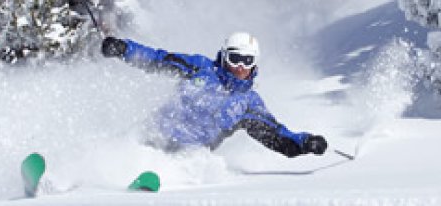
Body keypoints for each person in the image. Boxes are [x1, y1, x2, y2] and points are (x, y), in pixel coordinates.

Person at [101, 32, 328, 157]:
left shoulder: (248, 105)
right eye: (235, 58)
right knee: (113, 153)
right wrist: (124, 49)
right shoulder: (201, 67)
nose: (240, 66)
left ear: (254, 65)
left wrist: (306, 142)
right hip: (151, 133)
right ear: (223, 56)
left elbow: (278, 135)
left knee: (176, 165)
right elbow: (159, 59)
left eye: (247, 61)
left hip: (186, 155)